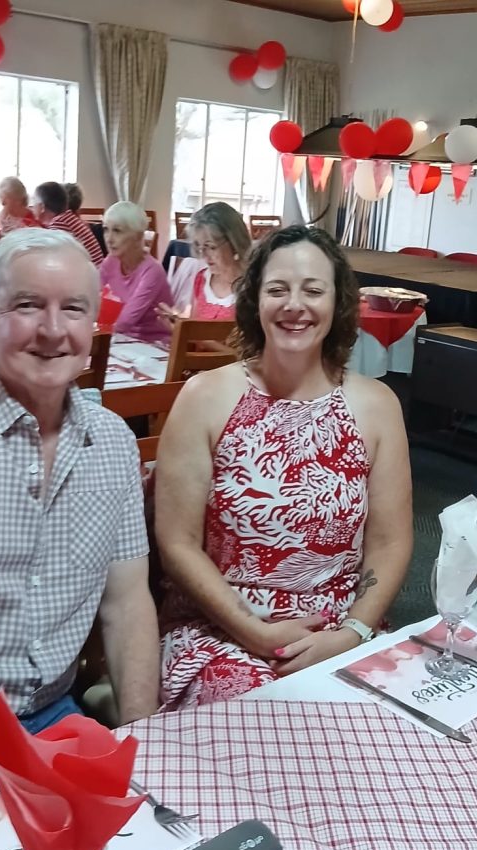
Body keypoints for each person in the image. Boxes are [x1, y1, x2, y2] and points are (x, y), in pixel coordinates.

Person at [0, 228, 160, 802]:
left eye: (73, 308)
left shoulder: (110, 441)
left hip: (54, 722)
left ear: (92, 325)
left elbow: (127, 604)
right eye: (28, 305)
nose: (53, 330)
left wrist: (144, 744)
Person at [155, 225, 413, 707]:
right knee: (273, 709)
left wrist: (352, 633)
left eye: (313, 290)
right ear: (255, 300)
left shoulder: (377, 405)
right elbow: (177, 543)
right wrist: (253, 632)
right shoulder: (205, 397)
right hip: (221, 629)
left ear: (338, 303)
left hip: (340, 633)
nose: (295, 305)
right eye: (277, 290)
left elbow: (390, 541)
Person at [157, 202, 251, 327]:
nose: (204, 255)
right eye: (199, 247)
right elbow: (196, 330)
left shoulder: (252, 288)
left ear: (234, 243)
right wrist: (179, 328)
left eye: (211, 247)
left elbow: (252, 339)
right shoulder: (202, 279)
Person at [99, 201, 173, 346]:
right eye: (106, 229)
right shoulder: (111, 261)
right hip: (122, 340)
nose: (109, 238)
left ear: (138, 237)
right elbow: (90, 298)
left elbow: (125, 321)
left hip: (154, 345)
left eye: (117, 231)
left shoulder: (152, 270)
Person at [33, 180, 103, 266]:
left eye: (34, 202)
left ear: (42, 207)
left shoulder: (59, 224)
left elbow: (51, 260)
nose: (32, 207)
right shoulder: (67, 218)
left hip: (90, 273)